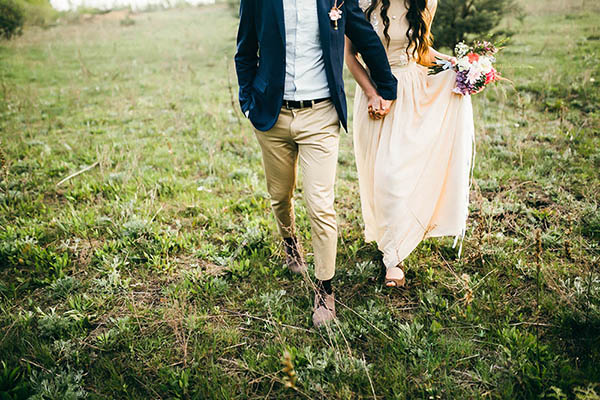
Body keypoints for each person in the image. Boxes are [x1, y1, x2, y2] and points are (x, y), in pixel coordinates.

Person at [234, 0, 397, 327]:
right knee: (280, 195)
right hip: (272, 115)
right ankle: (291, 243)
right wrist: (248, 101)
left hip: (321, 116)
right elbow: (245, 50)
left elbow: (365, 38)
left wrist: (387, 87)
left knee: (320, 204)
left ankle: (324, 289)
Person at [347, 0, 475, 287]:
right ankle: (388, 237)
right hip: (375, 93)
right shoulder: (362, 4)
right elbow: (349, 55)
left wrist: (458, 66)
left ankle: (393, 258)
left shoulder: (424, 3)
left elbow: (421, 53)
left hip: (412, 91)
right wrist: (371, 94)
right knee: (378, 177)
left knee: (394, 174)